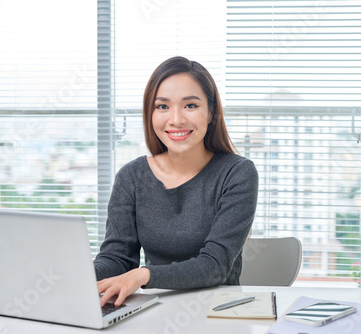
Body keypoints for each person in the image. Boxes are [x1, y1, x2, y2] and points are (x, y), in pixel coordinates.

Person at [94, 56, 258, 307]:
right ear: (150, 114)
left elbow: (215, 266)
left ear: (211, 112)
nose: (176, 119)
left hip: (219, 313)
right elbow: (117, 258)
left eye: (190, 105)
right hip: (155, 310)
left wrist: (145, 275)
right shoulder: (131, 177)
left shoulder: (237, 173)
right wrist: (76, 275)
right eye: (162, 107)